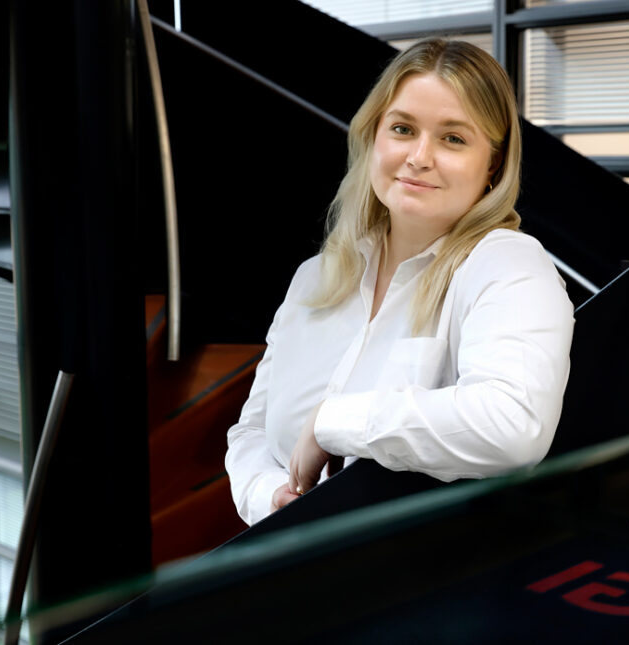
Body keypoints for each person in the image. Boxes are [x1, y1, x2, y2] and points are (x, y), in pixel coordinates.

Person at [225, 38, 574, 526]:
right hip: (293, 556)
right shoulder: (314, 277)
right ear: (374, 137)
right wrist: (272, 499)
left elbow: (514, 425)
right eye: (403, 129)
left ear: (492, 164)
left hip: (417, 566)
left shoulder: (507, 264)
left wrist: (333, 421)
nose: (419, 156)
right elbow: (251, 431)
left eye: (453, 138)